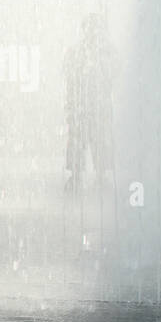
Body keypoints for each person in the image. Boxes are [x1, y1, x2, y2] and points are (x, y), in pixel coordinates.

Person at [63, 13, 116, 192]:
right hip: (84, 107)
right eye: (90, 28)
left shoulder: (104, 53)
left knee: (95, 140)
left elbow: (113, 74)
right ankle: (79, 175)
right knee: (84, 140)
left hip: (91, 107)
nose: (92, 33)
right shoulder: (80, 53)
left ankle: (92, 175)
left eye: (95, 28)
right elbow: (69, 76)